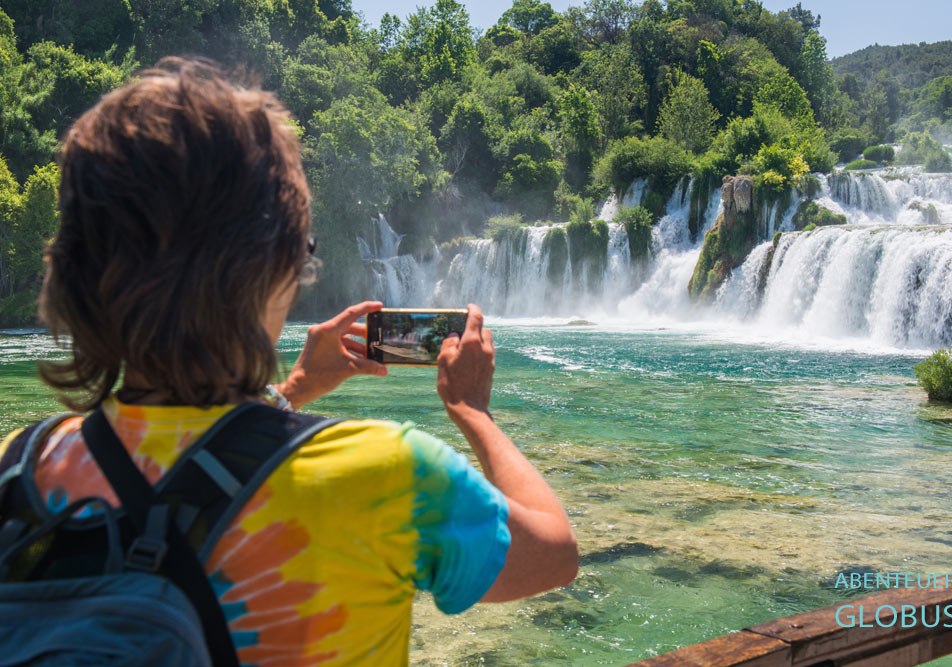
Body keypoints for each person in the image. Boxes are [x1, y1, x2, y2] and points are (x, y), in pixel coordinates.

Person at [0, 58, 577, 665]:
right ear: (275, 264)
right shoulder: (387, 476)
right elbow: (555, 553)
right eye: (304, 247)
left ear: (75, 270)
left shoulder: (20, 468)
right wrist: (472, 412)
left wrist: (295, 387)